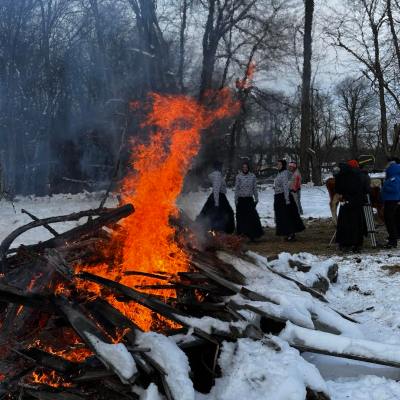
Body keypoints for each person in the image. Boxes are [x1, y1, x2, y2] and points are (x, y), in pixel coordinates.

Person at [196, 161, 235, 233]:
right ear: (218, 167)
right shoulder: (217, 175)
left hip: (218, 197)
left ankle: (210, 230)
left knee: (210, 214)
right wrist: (216, 203)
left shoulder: (218, 175)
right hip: (218, 197)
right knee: (225, 213)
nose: (222, 168)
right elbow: (216, 189)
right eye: (221, 166)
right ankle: (220, 231)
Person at [335, 160, 365, 251]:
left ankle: (345, 244)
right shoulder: (359, 174)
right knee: (357, 223)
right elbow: (362, 188)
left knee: (345, 223)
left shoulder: (341, 175)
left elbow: (338, 189)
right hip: (357, 202)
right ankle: (357, 244)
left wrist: (343, 195)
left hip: (346, 201)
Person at [273, 159, 305, 241]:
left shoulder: (283, 174)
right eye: (277, 164)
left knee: (287, 216)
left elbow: (286, 187)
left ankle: (291, 233)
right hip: (279, 197)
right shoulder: (279, 173)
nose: (278, 166)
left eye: (279, 164)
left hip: (284, 197)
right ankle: (288, 233)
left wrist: (287, 200)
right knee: (283, 217)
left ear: (283, 165)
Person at [235, 161, 263, 240]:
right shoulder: (238, 177)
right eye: (243, 167)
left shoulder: (253, 176)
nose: (245, 169)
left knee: (252, 217)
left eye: (246, 167)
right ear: (242, 168)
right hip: (241, 200)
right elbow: (237, 189)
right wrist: (235, 200)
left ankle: (252, 235)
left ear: (248, 168)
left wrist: (256, 198)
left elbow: (255, 188)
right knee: (241, 218)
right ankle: (242, 234)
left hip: (249, 200)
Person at [381, 159, 400, 248]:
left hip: (391, 201)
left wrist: (384, 188)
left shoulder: (394, 177)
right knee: (392, 219)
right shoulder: (394, 176)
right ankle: (394, 237)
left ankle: (393, 241)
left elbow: (395, 189)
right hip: (392, 200)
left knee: (390, 220)